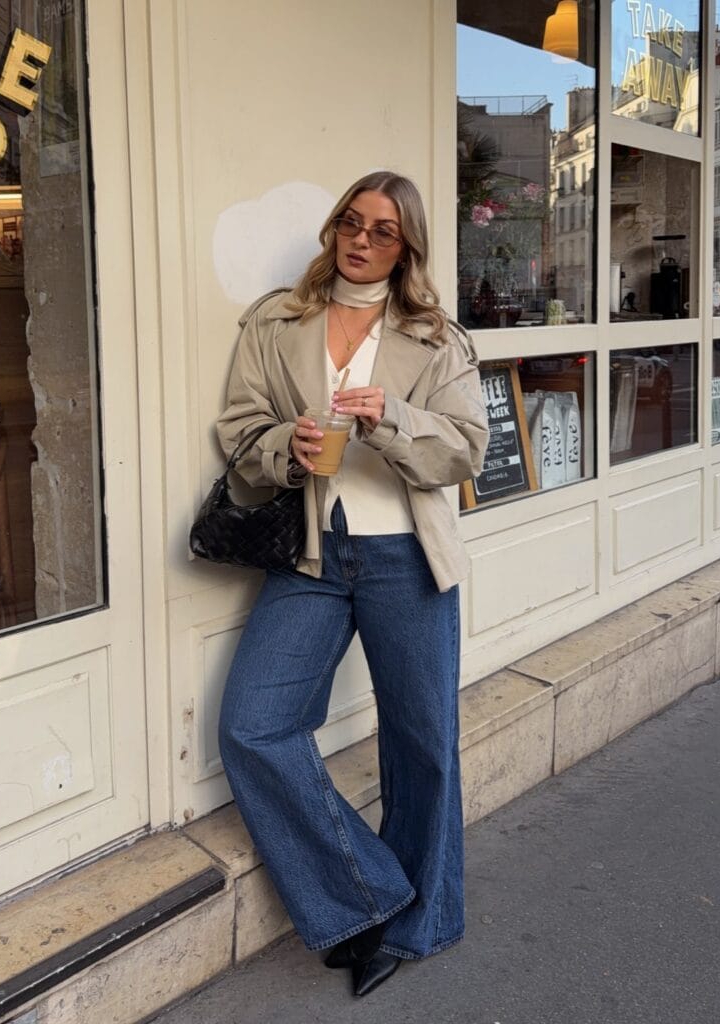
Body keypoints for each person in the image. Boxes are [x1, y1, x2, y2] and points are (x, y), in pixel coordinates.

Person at [216, 171, 488, 997]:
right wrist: (284, 449)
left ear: (406, 248)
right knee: (254, 725)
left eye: (383, 231)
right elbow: (240, 429)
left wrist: (392, 418)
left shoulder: (436, 338)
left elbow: (465, 449)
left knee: (422, 743)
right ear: (335, 226)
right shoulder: (277, 321)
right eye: (351, 222)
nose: (361, 240)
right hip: (313, 555)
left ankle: (418, 924)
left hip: (406, 555)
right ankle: (368, 897)